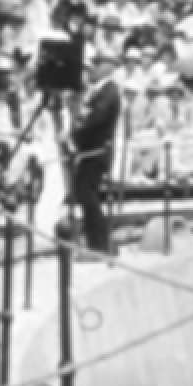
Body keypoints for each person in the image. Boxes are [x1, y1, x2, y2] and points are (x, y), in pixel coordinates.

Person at [68, 46, 122, 255]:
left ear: (108, 67)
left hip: (97, 151)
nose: (93, 69)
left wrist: (75, 134)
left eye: (97, 64)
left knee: (87, 195)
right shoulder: (100, 91)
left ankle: (99, 243)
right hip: (91, 150)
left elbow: (95, 120)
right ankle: (96, 241)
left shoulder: (109, 91)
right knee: (85, 195)